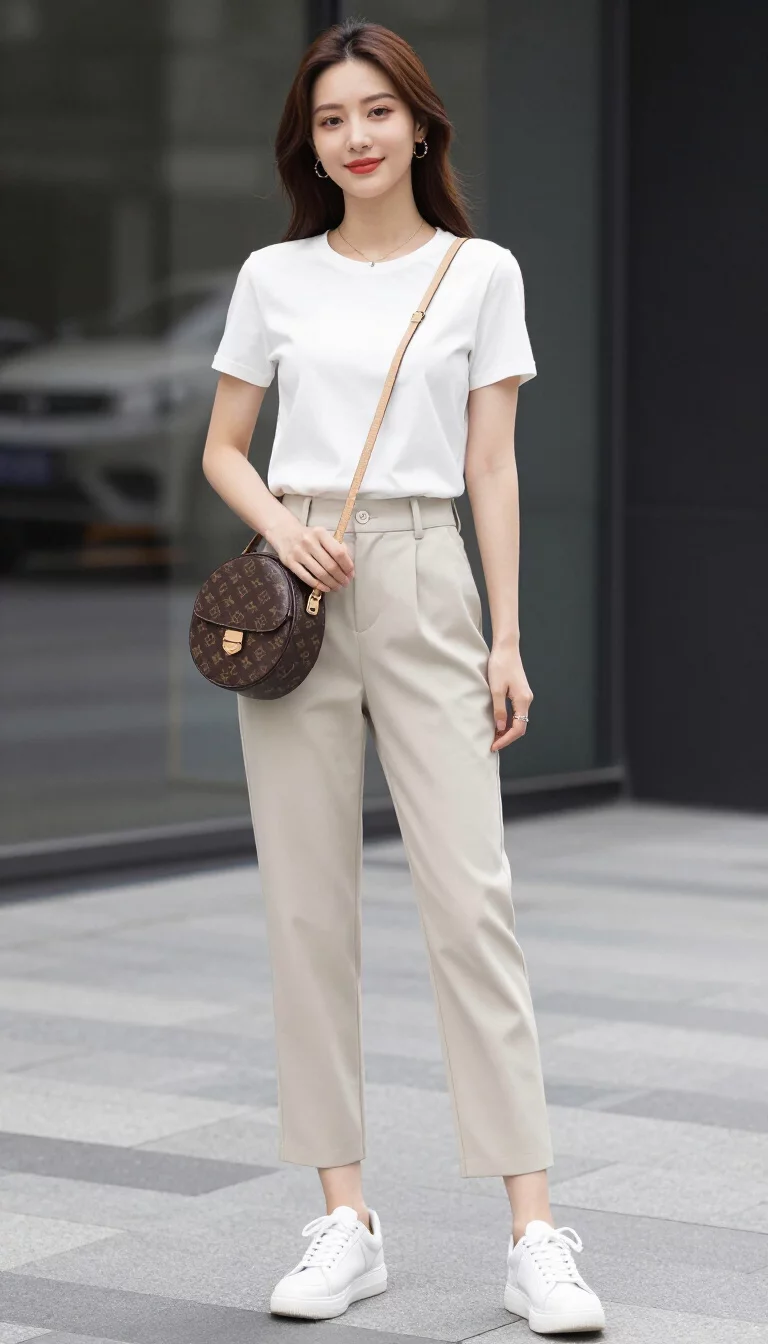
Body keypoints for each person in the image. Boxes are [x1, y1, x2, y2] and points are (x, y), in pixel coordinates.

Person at [202, 16, 606, 1338]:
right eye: (330, 120)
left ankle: (534, 1234)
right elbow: (223, 446)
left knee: (470, 906)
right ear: (307, 144)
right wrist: (281, 526)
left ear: (419, 123)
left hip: (430, 573)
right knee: (306, 912)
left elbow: (493, 463)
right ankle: (343, 1218)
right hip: (302, 578)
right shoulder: (274, 274)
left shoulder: (480, 272)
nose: (356, 137)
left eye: (377, 112)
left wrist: (504, 636)